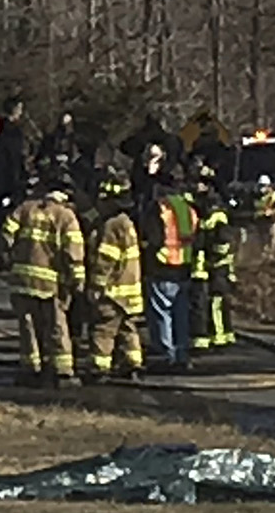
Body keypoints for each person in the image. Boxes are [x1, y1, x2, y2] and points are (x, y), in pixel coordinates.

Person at [4, 176, 85, 387]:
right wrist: (77, 280)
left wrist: (12, 258)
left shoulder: (25, 209)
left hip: (22, 280)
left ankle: (30, 368)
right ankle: (62, 371)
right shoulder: (65, 216)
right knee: (56, 326)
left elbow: (6, 235)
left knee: (28, 326)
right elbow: (73, 252)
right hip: (51, 284)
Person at [83, 171, 146, 382]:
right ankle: (132, 363)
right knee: (128, 329)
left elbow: (105, 260)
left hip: (112, 292)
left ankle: (99, 368)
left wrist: (95, 287)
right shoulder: (126, 222)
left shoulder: (111, 226)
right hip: (130, 292)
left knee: (103, 329)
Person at [136, 162, 200, 371]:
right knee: (180, 312)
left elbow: (153, 238)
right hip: (183, 266)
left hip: (162, 265)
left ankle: (165, 354)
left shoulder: (159, 208)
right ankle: (181, 353)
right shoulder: (188, 209)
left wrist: (145, 250)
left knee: (161, 312)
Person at [192, 171, 237, 351]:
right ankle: (218, 336)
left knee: (215, 303)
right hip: (210, 267)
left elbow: (221, 244)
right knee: (212, 303)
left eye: (202, 184)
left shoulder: (217, 216)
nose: (198, 187)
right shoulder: (206, 212)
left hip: (217, 267)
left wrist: (211, 256)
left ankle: (219, 337)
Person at [0, 110, 25, 271]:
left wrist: (12, 190)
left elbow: (12, 168)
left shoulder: (5, 144)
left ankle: (2, 258)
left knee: (4, 225)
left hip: (4, 190)